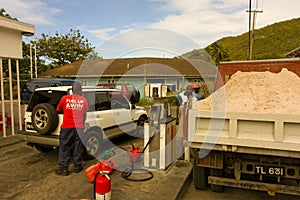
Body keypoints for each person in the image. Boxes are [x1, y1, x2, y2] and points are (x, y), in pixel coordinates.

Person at [55, 82, 89, 176]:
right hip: (79, 127)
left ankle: (63, 169)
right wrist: (82, 123)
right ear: (80, 90)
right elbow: (85, 114)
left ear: (72, 90)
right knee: (78, 147)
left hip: (67, 127)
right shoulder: (83, 100)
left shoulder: (65, 99)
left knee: (65, 147)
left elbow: (58, 109)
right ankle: (78, 166)